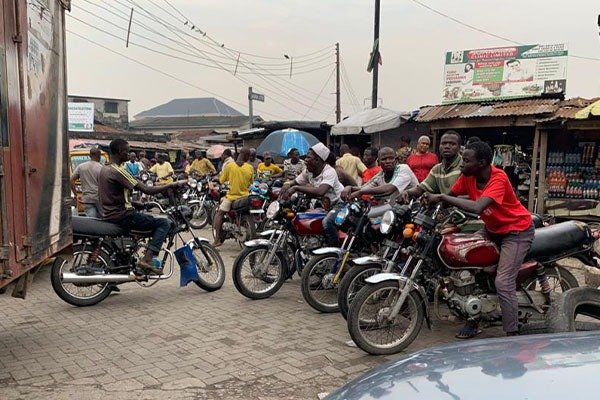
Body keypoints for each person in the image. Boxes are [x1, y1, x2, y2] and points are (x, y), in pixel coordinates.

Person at [423, 141, 534, 338]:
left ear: (482, 163)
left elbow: (476, 207)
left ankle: (512, 333)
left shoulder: (498, 178)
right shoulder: (468, 176)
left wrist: (441, 198)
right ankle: (473, 318)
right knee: (465, 259)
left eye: (466, 161)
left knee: (503, 281)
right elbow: (449, 196)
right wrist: (429, 201)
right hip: (492, 229)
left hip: (516, 231)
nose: (462, 164)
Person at [98, 139, 186, 275]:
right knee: (164, 222)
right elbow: (147, 190)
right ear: (120, 152)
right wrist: (171, 185)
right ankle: (147, 259)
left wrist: (135, 203)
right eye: (127, 152)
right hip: (123, 216)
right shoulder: (118, 171)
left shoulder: (105, 168)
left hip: (112, 213)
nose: (129, 154)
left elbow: (112, 195)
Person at [281, 143, 344, 247]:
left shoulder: (329, 172)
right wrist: (286, 185)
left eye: (308, 157)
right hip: (324, 204)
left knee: (327, 223)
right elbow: (294, 182)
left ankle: (334, 253)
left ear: (317, 160)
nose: (305, 159)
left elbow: (321, 191)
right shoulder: (308, 171)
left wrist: (296, 188)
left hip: (339, 204)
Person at [401, 131, 463, 200]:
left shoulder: (464, 167)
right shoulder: (437, 169)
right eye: (444, 143)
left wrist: (440, 198)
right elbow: (421, 188)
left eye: (452, 144)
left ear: (459, 147)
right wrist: (407, 192)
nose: (447, 146)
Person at [342, 147, 418, 203]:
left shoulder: (403, 169)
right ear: (378, 162)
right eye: (384, 159)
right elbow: (363, 188)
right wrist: (350, 188)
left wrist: (361, 192)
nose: (388, 161)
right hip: (394, 212)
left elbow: (389, 189)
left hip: (414, 210)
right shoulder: (379, 176)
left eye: (391, 158)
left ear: (396, 160)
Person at [212, 148, 254, 247]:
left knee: (219, 214)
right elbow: (251, 182)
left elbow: (222, 180)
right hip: (245, 196)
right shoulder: (250, 167)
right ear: (246, 156)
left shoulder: (229, 166)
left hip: (232, 197)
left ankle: (217, 239)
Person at [70, 147, 103, 218]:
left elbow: (71, 180)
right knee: (103, 220)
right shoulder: (101, 168)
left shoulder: (81, 167)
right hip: (99, 198)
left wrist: (76, 195)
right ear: (99, 156)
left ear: (90, 156)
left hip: (87, 199)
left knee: (91, 220)